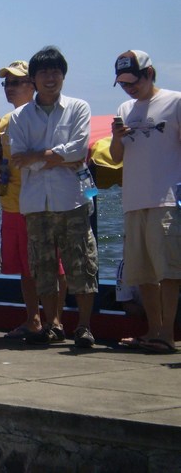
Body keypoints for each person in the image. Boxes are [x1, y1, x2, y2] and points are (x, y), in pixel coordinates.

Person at [8, 46, 98, 348]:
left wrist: (38, 156)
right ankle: (52, 324)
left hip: (72, 199)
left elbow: (79, 150)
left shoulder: (79, 107)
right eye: (44, 72)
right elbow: (19, 158)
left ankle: (84, 326)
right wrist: (59, 157)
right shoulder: (19, 116)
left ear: (63, 75)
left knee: (82, 264)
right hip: (36, 203)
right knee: (43, 268)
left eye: (56, 72)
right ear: (33, 79)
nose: (50, 77)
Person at [110, 50, 180, 354]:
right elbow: (115, 157)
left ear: (149, 73)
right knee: (143, 272)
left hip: (167, 199)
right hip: (133, 201)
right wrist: (116, 137)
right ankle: (153, 330)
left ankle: (167, 333)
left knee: (169, 270)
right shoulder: (125, 108)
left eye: (133, 81)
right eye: (123, 83)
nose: (129, 88)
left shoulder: (175, 101)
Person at [0, 61, 67, 341]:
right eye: (7, 83)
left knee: (51, 264)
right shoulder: (5, 121)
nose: (10, 88)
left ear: (32, 85)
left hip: (38, 203)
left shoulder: (41, 118)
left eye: (17, 82)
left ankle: (55, 320)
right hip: (11, 203)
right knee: (24, 268)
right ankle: (33, 319)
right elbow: (3, 161)